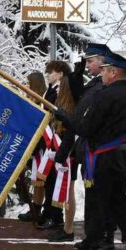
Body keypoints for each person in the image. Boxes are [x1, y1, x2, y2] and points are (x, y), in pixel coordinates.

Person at [58, 52, 126, 250]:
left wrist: (65, 118)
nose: (101, 74)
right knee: (119, 201)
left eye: (104, 70)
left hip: (102, 158)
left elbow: (85, 127)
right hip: (122, 157)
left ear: (113, 72)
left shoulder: (105, 96)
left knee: (95, 205)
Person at [58, 43, 118, 250]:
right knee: (94, 198)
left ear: (103, 61)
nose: (87, 64)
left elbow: (88, 116)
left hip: (101, 151)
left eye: (90, 60)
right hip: (89, 148)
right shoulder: (96, 83)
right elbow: (81, 101)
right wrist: (76, 77)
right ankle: (94, 237)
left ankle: (104, 238)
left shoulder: (106, 86)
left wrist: (68, 119)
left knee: (103, 199)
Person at [37, 61, 75, 236]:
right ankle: (51, 214)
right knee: (50, 181)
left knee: (59, 182)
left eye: (50, 72)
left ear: (60, 74)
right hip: (52, 139)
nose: (48, 75)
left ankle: (58, 219)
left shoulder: (66, 90)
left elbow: (65, 114)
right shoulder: (51, 90)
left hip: (63, 141)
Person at [17, 72, 47, 223]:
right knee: (37, 181)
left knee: (40, 181)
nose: (26, 86)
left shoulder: (42, 101)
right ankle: (36, 209)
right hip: (33, 146)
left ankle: (39, 209)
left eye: (29, 83)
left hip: (41, 148)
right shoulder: (31, 100)